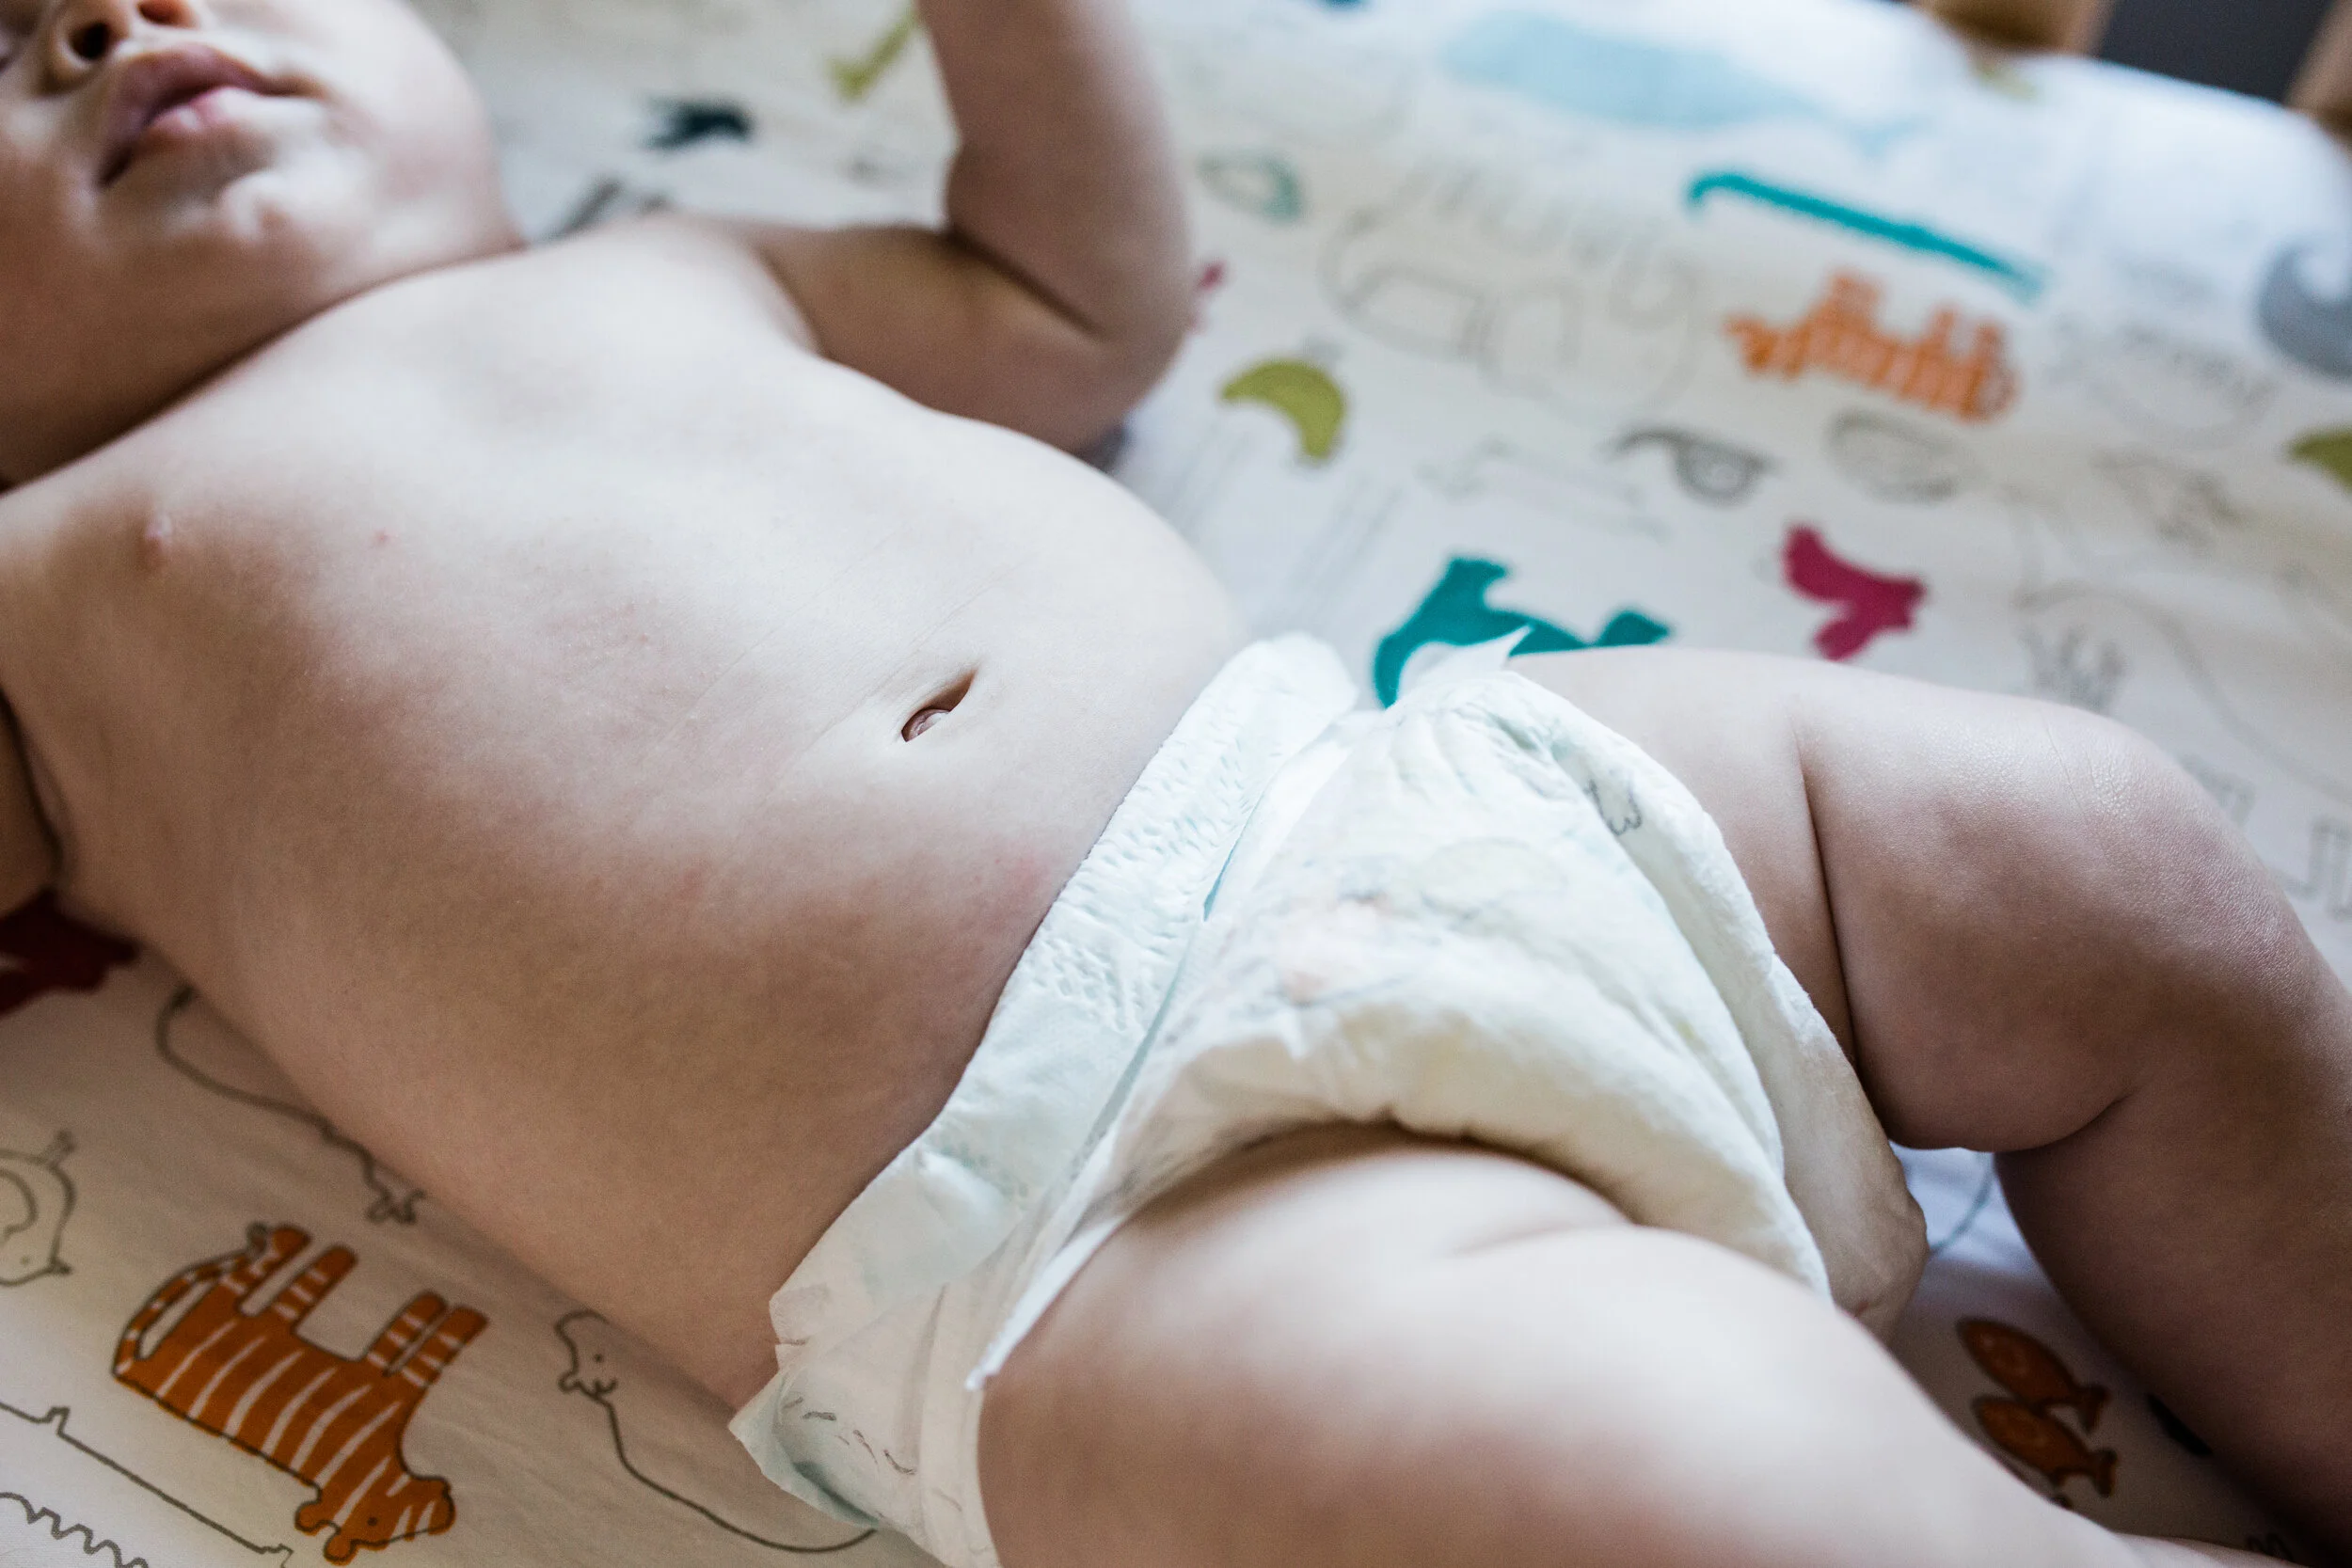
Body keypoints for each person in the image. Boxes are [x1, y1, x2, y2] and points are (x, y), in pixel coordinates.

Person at [0, 0, 2343, 1561]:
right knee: (1667, 1478)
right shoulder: (46, 586)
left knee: (2075, 842)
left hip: (1427, 796)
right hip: (1104, 1231)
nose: (106, 24)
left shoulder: (682, 256)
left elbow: (1072, 303)